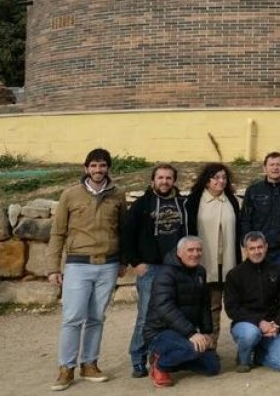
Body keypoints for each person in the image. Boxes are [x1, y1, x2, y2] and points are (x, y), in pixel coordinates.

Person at [47, 148, 126, 391]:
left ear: (108, 169)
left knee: (96, 317)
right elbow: (58, 232)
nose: (98, 170)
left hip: (108, 264)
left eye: (102, 166)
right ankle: (66, 367)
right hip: (78, 265)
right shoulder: (70, 195)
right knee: (72, 317)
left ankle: (90, 363)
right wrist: (53, 267)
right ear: (86, 168)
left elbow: (123, 230)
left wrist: (123, 260)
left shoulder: (117, 195)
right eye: (93, 166)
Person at [122, 163, 187, 378]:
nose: (165, 181)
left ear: (174, 181)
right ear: (153, 180)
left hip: (175, 268)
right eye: (161, 177)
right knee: (145, 316)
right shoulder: (142, 204)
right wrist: (135, 262)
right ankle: (138, 358)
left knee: (173, 314)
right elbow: (127, 234)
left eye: (169, 178)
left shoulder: (181, 203)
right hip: (150, 268)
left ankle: (159, 357)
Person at [143, 236, 220, 388]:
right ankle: (160, 364)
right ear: (179, 253)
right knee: (193, 349)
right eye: (190, 250)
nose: (195, 254)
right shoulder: (165, 273)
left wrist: (206, 332)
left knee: (212, 366)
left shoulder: (200, 272)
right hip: (160, 331)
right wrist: (191, 333)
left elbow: (205, 305)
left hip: (184, 332)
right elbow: (165, 307)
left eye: (198, 250)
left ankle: (175, 359)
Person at [184, 162, 241, 349]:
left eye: (224, 177)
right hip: (203, 264)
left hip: (228, 263)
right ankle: (200, 347)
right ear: (207, 180)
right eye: (216, 177)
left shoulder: (232, 201)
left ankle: (215, 346)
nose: (221, 181)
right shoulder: (194, 201)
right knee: (205, 308)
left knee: (226, 307)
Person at [224, 232, 280, 372]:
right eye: (252, 248)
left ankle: (258, 355)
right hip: (247, 324)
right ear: (245, 250)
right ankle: (244, 359)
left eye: (260, 247)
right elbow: (232, 309)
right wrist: (259, 322)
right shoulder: (234, 274)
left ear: (266, 247)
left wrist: (277, 325)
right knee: (251, 334)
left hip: (272, 326)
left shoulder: (278, 271)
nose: (257, 252)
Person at [240, 152, 280, 270]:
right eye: (271, 164)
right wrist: (246, 244)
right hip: (258, 249)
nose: (275, 168)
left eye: (279, 164)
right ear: (264, 168)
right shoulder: (253, 190)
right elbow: (245, 219)